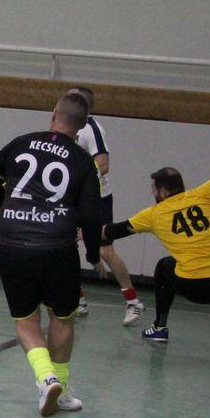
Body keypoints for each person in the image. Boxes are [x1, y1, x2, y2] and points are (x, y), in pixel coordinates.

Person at [0, 93, 101, 416]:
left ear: (54, 113)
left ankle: (45, 378)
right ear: (82, 126)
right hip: (57, 246)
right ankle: (61, 386)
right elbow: (90, 217)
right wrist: (93, 254)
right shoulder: (83, 161)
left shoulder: (21, 143)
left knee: (27, 320)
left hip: (13, 242)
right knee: (62, 317)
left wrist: (7, 203)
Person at [100, 124, 210, 370]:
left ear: (163, 191)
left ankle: (160, 326)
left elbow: (113, 231)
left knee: (165, 266)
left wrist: (81, 231)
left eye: (153, 188)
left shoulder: (153, 214)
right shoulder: (205, 193)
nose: (151, 192)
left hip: (195, 283)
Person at [67, 86, 145, 325]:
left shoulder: (92, 129)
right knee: (65, 245)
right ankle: (77, 299)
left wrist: (80, 181)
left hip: (97, 197)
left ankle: (133, 300)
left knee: (104, 250)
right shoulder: (67, 127)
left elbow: (103, 164)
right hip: (73, 197)